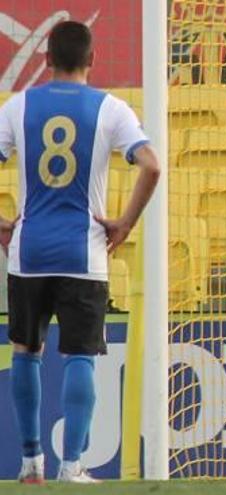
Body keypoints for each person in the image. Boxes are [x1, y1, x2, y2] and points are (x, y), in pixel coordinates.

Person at [0, 21, 160, 483]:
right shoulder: (110, 108)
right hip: (83, 253)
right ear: (93, 61)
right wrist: (126, 222)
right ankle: (72, 466)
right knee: (80, 357)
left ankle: (30, 463)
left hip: (27, 252)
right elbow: (151, 164)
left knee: (25, 352)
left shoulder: (19, 105)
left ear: (45, 60)